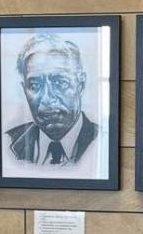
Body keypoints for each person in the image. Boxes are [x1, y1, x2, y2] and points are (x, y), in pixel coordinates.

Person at [7, 33, 98, 167]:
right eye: (35, 85)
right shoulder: (8, 142)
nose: (47, 99)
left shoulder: (102, 142)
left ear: (81, 85)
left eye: (60, 82)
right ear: (24, 89)